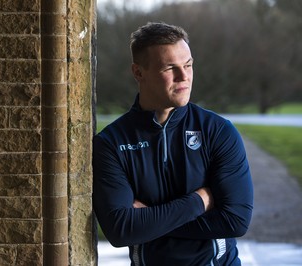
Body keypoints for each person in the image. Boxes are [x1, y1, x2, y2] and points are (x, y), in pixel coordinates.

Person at [92, 22, 253, 265]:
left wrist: (149, 222)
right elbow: (121, 230)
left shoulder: (217, 131)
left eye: (188, 65)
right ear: (138, 72)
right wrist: (199, 201)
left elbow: (236, 220)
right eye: (170, 68)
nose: (184, 77)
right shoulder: (112, 143)